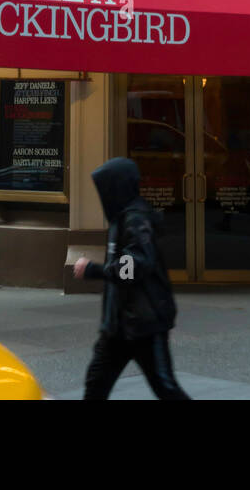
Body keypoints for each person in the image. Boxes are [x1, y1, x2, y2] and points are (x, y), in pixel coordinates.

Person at [74, 156, 191, 400]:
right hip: (118, 325)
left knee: (165, 386)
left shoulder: (136, 219)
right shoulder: (122, 217)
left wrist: (94, 270)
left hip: (145, 323)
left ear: (117, 187)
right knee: (96, 384)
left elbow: (136, 262)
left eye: (105, 188)